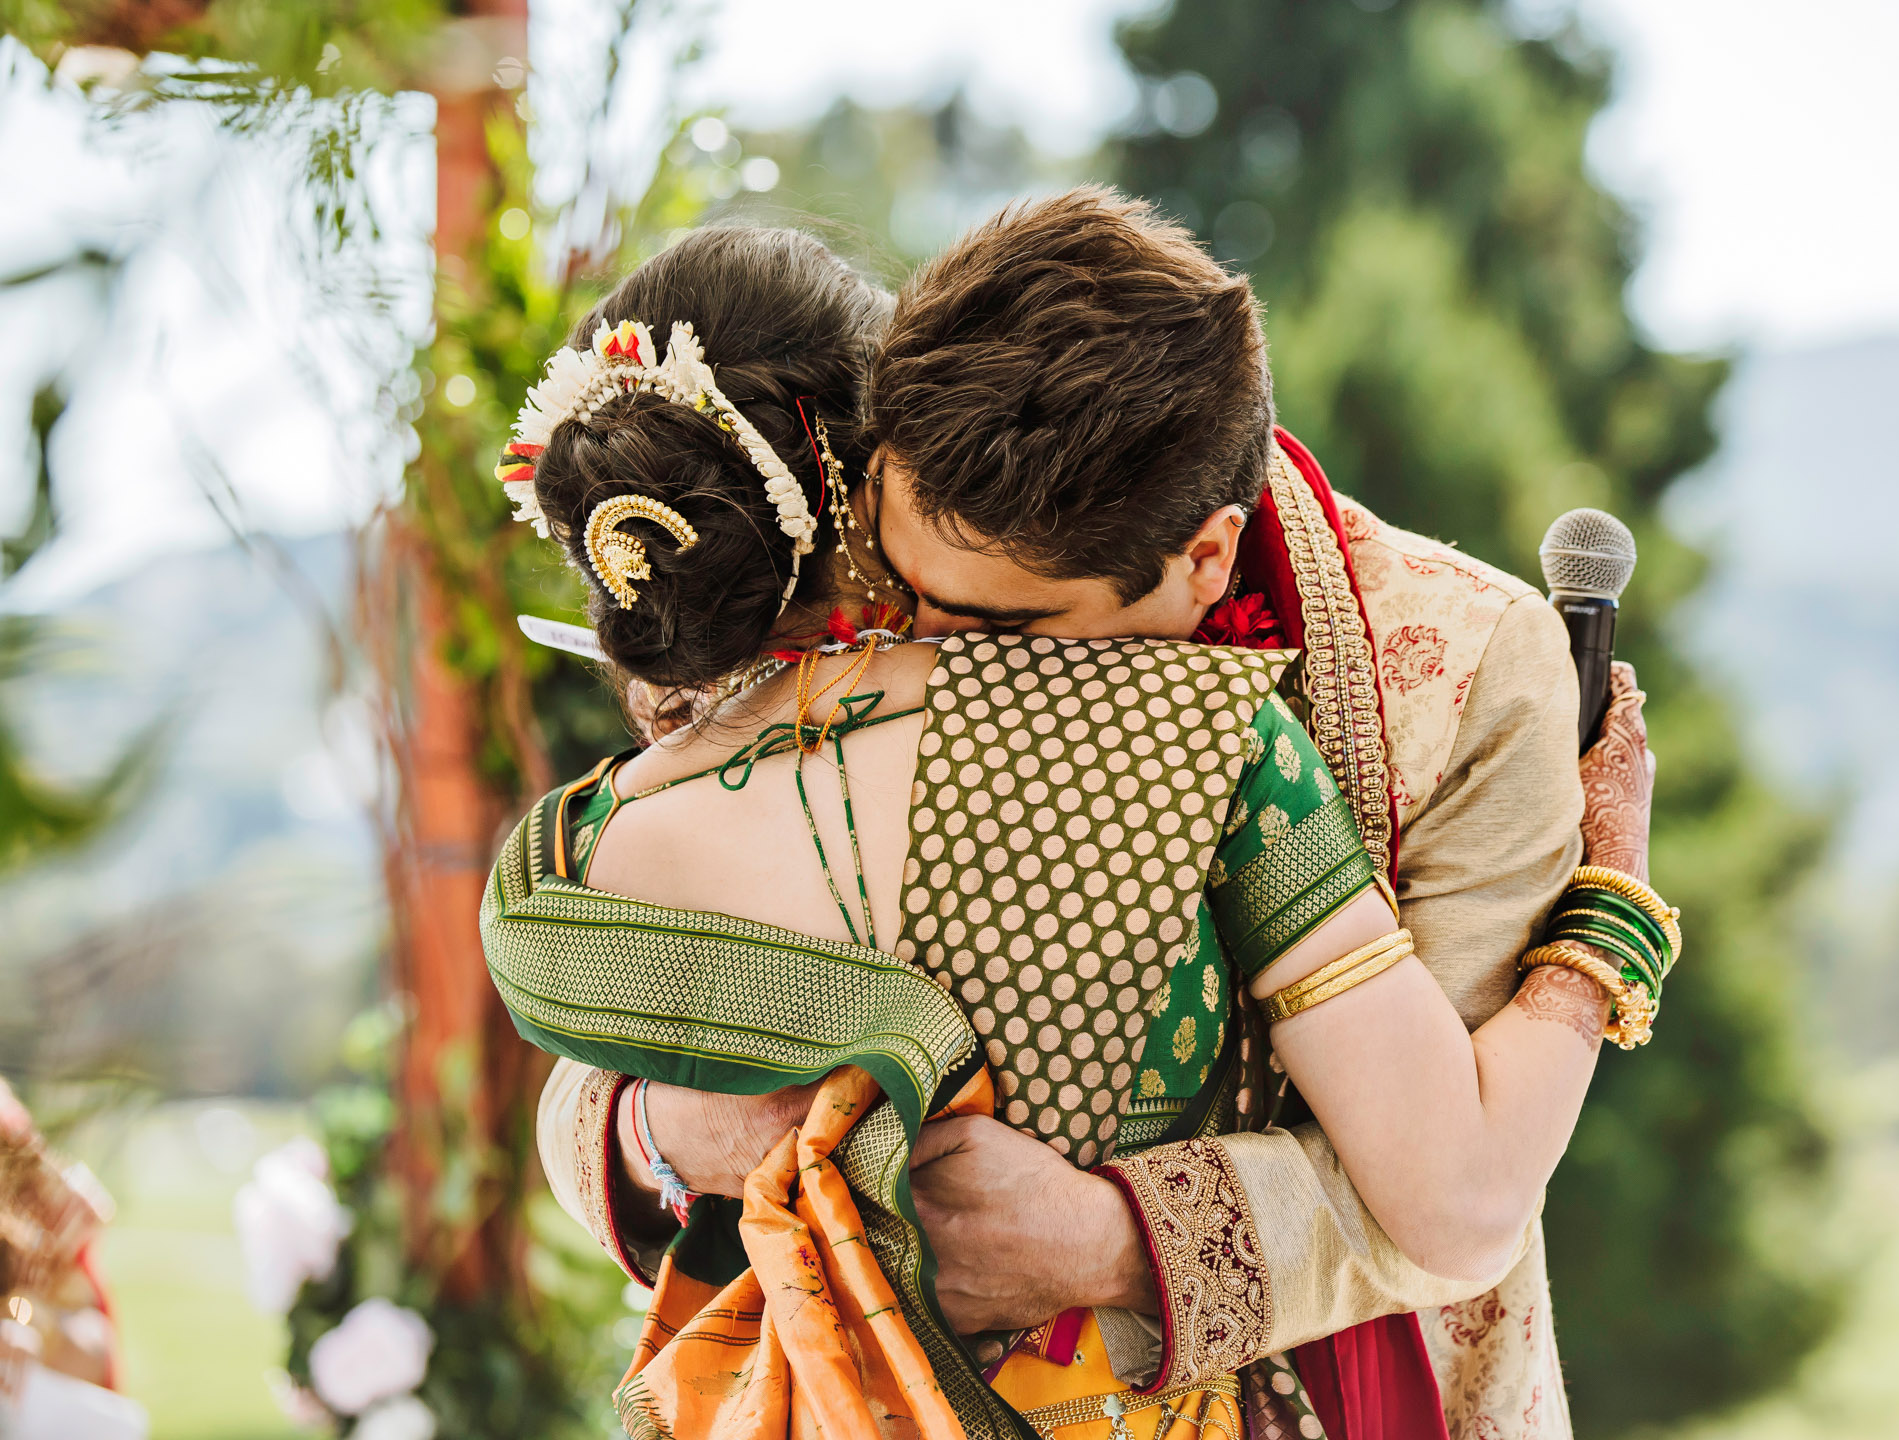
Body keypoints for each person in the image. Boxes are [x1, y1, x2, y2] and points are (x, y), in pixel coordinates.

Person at [517, 200, 1673, 1440]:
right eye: (908, 594)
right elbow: (603, 1082)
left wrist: (1115, 1242)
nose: (933, 661)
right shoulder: (882, 545)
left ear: (1206, 558)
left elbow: (1445, 1201)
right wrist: (677, 1126)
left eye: (1010, 634)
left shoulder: (1471, 666)